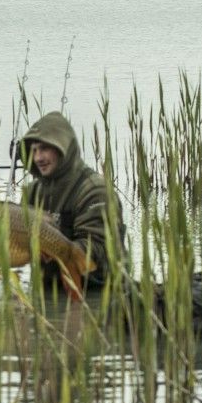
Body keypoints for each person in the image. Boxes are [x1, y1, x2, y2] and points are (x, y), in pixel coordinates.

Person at [18, 111, 124, 295]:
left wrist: (50, 247)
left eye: (44, 149)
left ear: (62, 149)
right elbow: (18, 244)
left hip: (98, 291)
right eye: (34, 151)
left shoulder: (94, 191)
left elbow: (98, 251)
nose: (38, 158)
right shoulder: (32, 192)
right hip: (49, 292)